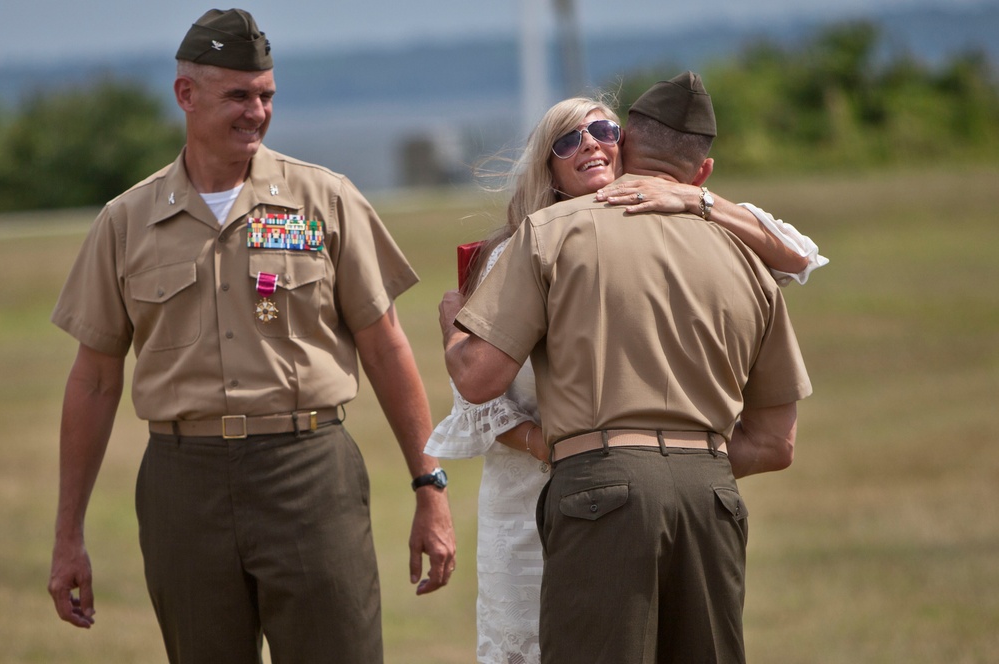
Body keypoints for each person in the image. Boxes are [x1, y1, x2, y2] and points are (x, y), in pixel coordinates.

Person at [46, 9, 455, 663]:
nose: (257, 112)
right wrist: (68, 535)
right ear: (186, 94)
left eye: (266, 95)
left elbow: (387, 346)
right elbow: (93, 380)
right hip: (184, 485)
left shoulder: (326, 200)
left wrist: (429, 489)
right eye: (238, 95)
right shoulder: (126, 221)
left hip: (309, 472)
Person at [428, 86, 823, 663]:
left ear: (630, 146)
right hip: (702, 493)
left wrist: (452, 329)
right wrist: (689, 458)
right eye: (569, 139)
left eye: (605, 132)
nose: (591, 144)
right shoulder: (748, 255)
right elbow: (775, 442)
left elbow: (477, 378)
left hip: (591, 491)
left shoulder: (547, 236)